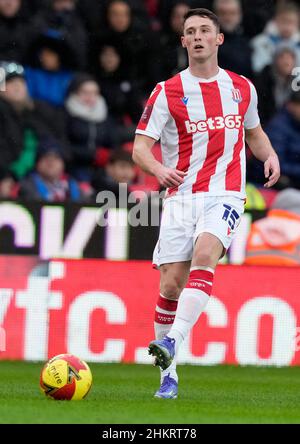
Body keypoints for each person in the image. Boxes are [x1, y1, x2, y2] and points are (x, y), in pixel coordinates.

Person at [132, 8, 280, 399]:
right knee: (170, 285)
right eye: (190, 31)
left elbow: (255, 133)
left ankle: (173, 339)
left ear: (219, 39)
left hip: (225, 193)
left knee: (206, 253)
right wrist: (159, 171)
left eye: (204, 31)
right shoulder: (166, 92)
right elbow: (140, 150)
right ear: (183, 42)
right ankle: (169, 376)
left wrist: (269, 155)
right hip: (181, 196)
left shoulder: (241, 88)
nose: (197, 36)